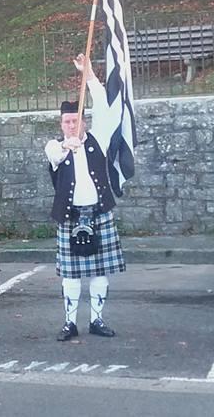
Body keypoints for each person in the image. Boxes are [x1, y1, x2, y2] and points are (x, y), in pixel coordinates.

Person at [46, 54, 124, 341]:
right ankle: (69, 323)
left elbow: (104, 106)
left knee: (100, 271)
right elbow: (55, 155)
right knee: (70, 275)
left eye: (75, 120)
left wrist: (89, 75)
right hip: (70, 216)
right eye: (66, 121)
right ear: (61, 123)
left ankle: (97, 321)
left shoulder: (99, 138)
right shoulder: (54, 145)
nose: (70, 125)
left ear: (83, 121)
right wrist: (68, 146)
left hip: (99, 212)